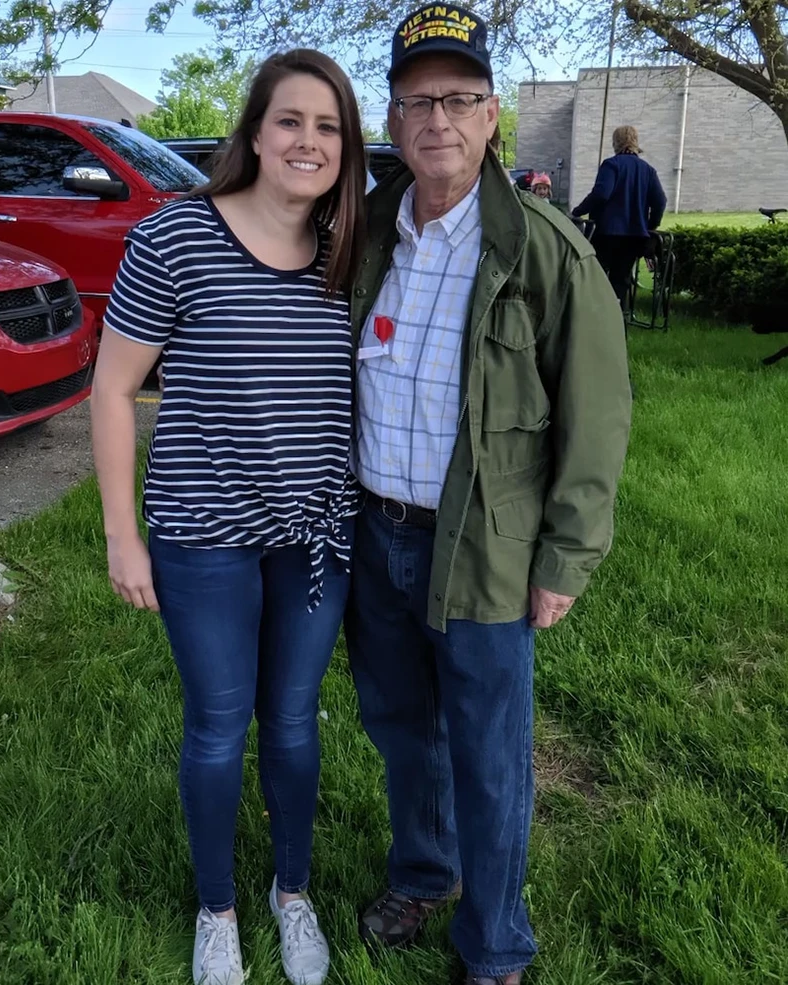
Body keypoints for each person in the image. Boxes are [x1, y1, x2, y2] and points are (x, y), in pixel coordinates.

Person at [345, 5, 632, 984]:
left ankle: (496, 943)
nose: (437, 119)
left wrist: (564, 557)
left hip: (487, 549)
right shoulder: (368, 238)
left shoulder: (544, 250)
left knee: (487, 752)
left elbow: (595, 420)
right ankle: (422, 872)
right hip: (374, 538)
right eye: (417, 100)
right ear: (391, 116)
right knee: (400, 730)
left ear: (491, 116)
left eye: (458, 99)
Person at [91, 49, 366, 985]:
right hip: (201, 534)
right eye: (291, 120)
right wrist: (121, 532)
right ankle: (219, 912)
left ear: (345, 148)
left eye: (328, 127)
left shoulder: (346, 252)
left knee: (292, 722)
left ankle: (294, 895)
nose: (308, 141)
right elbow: (114, 389)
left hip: (315, 537)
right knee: (218, 725)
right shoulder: (177, 238)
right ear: (254, 132)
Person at [572, 125, 667, 306]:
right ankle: (618, 320)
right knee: (621, 279)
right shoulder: (648, 170)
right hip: (634, 235)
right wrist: (650, 225)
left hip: (607, 232)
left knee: (597, 277)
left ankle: (596, 317)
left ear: (615, 142)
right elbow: (660, 201)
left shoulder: (611, 165)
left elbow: (601, 194)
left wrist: (577, 211)